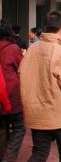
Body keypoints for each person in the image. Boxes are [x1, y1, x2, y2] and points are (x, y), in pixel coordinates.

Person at [20, 11, 61, 162]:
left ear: (45, 27)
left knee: (39, 152)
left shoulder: (32, 49)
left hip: (35, 111)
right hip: (56, 112)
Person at [0, 20, 25, 162]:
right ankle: (8, 158)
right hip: (11, 97)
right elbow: (22, 68)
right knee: (19, 127)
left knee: (2, 128)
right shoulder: (13, 48)